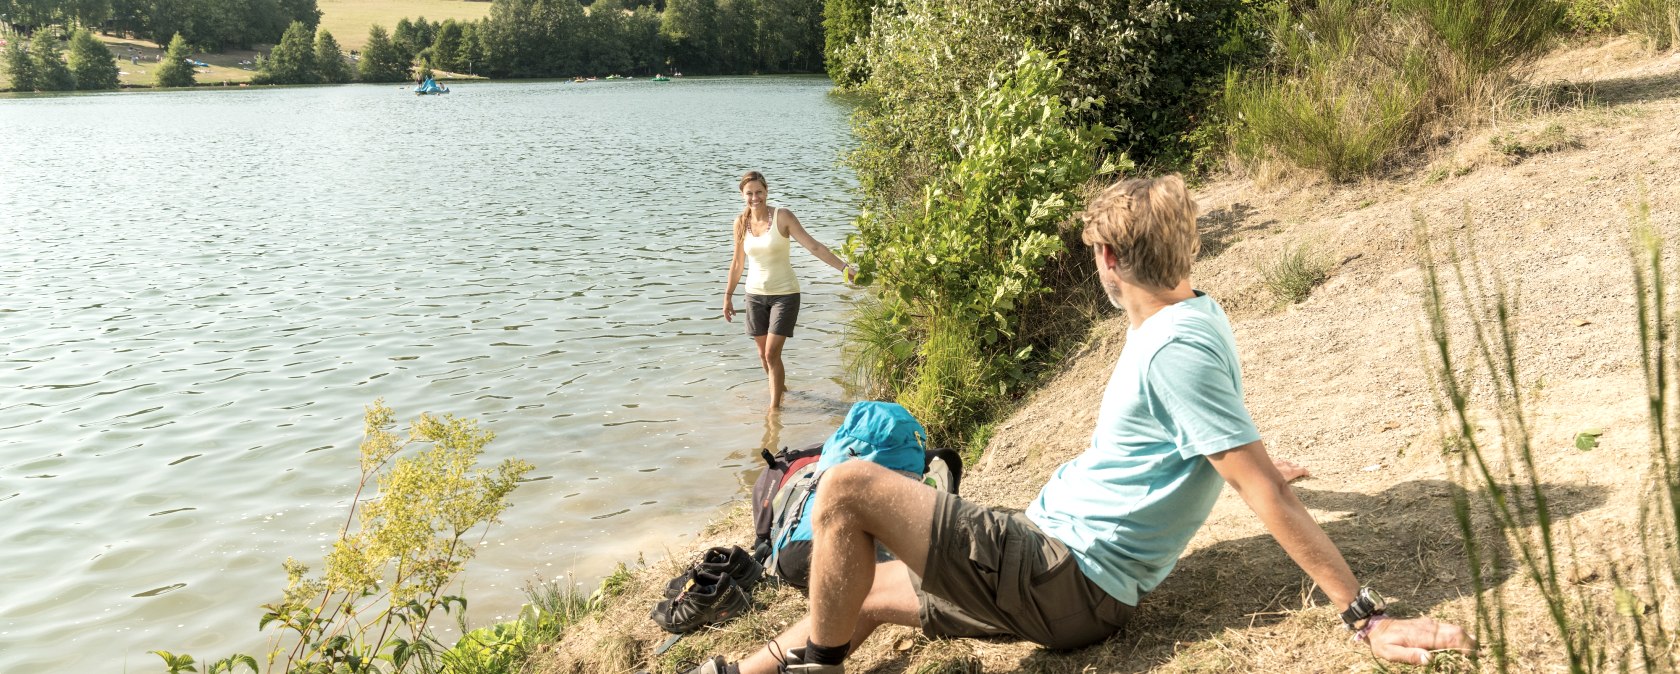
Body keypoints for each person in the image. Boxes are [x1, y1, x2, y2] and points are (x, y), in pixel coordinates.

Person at [687, 175, 1476, 673]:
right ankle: (746, 671)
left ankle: (820, 668)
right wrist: (1247, 460)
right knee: (854, 587)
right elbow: (1222, 433)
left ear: (1107, 259)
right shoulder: (1191, 312)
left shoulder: (1171, 347)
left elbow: (1262, 491)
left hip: (1062, 574)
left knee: (846, 489)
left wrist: (1365, 617)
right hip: (1049, 563)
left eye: (1095, 250)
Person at [722, 171, 854, 410]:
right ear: (742, 195)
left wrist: (844, 268)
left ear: (766, 191)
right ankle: (783, 392)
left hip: (785, 294)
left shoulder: (782, 217)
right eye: (749, 193)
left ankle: (774, 410)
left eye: (759, 192)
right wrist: (728, 295)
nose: (755, 197)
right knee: (763, 356)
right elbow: (738, 262)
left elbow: (814, 246)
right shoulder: (740, 223)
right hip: (754, 296)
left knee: (771, 354)